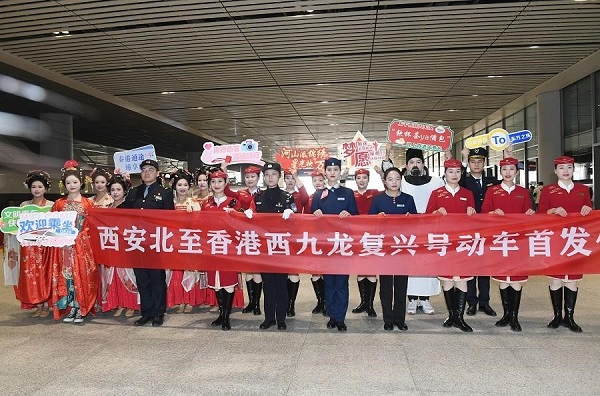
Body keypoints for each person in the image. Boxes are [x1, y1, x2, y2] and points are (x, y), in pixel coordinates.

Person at [537, 155, 592, 333]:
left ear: (573, 169)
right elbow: (541, 213)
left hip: (576, 240)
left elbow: (589, 213)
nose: (565, 171)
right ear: (555, 171)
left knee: (572, 280)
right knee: (556, 278)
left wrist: (588, 210)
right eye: (561, 168)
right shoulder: (548, 190)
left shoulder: (583, 189)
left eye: (569, 167)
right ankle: (557, 316)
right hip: (556, 239)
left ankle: (570, 317)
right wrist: (552, 211)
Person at [481, 157, 534, 331]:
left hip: (519, 241)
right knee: (503, 279)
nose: (508, 172)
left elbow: (530, 214)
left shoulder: (523, 192)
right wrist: (492, 212)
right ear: (500, 172)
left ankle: (514, 316)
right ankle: (506, 314)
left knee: (517, 279)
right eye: (504, 169)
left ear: (516, 172)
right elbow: (484, 212)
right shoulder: (492, 191)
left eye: (511, 169)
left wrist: (530, 213)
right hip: (500, 240)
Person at [121, 159, 174, 327]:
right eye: (144, 170)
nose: (146, 172)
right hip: (137, 242)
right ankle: (146, 312)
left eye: (150, 169)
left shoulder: (165, 192)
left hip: (155, 242)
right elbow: (122, 210)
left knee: (157, 278)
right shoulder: (134, 192)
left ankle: (159, 312)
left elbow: (170, 218)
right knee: (142, 279)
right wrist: (99, 213)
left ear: (157, 173)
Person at [426, 158, 476, 332]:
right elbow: (427, 216)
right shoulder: (437, 193)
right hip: (444, 243)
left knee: (461, 280)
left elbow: (475, 218)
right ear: (445, 174)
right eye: (450, 172)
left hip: (462, 243)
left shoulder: (467, 193)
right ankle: (452, 315)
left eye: (457, 172)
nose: (454, 175)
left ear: (461, 174)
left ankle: (460, 318)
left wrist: (472, 212)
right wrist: (436, 212)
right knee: (447, 280)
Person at [312, 157, 359, 331]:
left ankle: (340, 318)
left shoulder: (348, 193)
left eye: (336, 170)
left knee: (342, 283)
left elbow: (356, 217)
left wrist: (350, 214)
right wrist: (314, 214)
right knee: (329, 283)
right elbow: (310, 221)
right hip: (325, 245)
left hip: (343, 245)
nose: (332, 173)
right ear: (325, 172)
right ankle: (332, 315)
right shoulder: (318, 194)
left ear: (340, 172)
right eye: (329, 170)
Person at [49, 160, 98, 324]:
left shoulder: (87, 203)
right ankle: (71, 307)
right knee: (67, 277)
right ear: (64, 184)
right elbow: (51, 225)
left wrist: (80, 236)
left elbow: (92, 226)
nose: (72, 185)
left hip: (80, 247)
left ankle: (80, 306)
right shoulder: (59, 204)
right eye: (68, 182)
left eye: (75, 182)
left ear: (82, 183)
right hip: (63, 247)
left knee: (80, 276)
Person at [368, 167, 417, 330]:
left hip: (403, 248)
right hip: (384, 249)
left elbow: (417, 225)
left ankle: (400, 319)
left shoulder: (409, 199)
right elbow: (368, 224)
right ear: (385, 181)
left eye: (397, 178)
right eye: (390, 179)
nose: (394, 182)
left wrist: (411, 220)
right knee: (386, 286)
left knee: (401, 285)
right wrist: (377, 219)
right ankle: (388, 319)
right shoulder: (378, 200)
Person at [398, 148, 444, 315]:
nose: (415, 165)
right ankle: (411, 300)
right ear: (407, 165)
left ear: (423, 164)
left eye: (418, 162)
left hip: (429, 230)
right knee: (410, 264)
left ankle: (425, 300)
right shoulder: (401, 181)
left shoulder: (436, 182)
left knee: (427, 264)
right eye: (411, 162)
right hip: (408, 232)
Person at [253, 162, 296, 330]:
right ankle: (269, 317)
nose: (270, 177)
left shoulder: (287, 197)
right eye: (267, 174)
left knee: (281, 284)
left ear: (279, 177)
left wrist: (291, 214)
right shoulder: (258, 197)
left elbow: (296, 222)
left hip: (281, 247)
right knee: (267, 284)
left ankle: (281, 318)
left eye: (273, 174)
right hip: (264, 247)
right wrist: (247, 215)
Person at [7, 170, 54, 317]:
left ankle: (46, 304)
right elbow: (17, 225)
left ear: (45, 188)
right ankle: (38, 303)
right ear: (30, 188)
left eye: (40, 186)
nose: (37, 189)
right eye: (34, 186)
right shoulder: (23, 205)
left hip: (46, 246)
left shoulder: (52, 205)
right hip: (29, 247)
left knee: (45, 274)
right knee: (32, 275)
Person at [459, 147, 499, 317]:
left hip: (488, 230)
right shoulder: (463, 182)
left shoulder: (493, 181)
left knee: (484, 268)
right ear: (468, 164)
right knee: (470, 267)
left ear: (484, 163)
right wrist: (461, 158)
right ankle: (471, 302)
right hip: (469, 231)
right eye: (473, 161)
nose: (476, 164)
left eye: (480, 161)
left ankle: (485, 302)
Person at [201, 169, 243, 330]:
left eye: (220, 181)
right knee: (216, 284)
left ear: (226, 183)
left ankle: (226, 317)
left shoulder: (233, 202)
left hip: (228, 248)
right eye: (213, 182)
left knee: (228, 283)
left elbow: (241, 225)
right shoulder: (206, 203)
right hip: (212, 247)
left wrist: (235, 215)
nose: (216, 185)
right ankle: (221, 313)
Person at [224, 164, 263, 316]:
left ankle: (258, 303)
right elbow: (227, 192)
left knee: (257, 270)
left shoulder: (263, 194)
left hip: (258, 236)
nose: (250, 179)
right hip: (243, 235)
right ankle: (251, 302)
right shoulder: (241, 193)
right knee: (248, 270)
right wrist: (225, 170)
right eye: (247, 177)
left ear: (258, 178)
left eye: (253, 177)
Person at [167, 169, 203, 314]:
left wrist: (192, 215)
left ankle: (190, 300)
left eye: (185, 185)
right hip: (174, 241)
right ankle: (180, 300)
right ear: (175, 186)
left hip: (189, 241)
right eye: (179, 185)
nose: (182, 188)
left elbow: (200, 224)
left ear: (189, 187)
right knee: (177, 273)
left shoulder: (194, 203)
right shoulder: (170, 203)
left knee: (190, 271)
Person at [105, 173, 139, 318]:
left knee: (128, 275)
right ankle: (119, 303)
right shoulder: (107, 207)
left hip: (127, 244)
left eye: (118, 189)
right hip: (112, 245)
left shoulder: (130, 205)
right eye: (113, 190)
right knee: (114, 276)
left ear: (124, 190)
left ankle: (131, 304)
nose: (115, 193)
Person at [351, 168, 381, 317]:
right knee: (361, 270)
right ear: (355, 180)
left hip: (372, 236)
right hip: (356, 237)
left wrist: (382, 173)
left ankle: (370, 304)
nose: (361, 180)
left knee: (371, 270)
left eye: (364, 177)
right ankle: (363, 302)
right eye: (358, 178)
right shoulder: (351, 194)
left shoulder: (375, 193)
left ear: (368, 179)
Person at [88, 167, 115, 313]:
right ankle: (95, 300)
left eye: (102, 182)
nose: (99, 185)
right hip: (91, 239)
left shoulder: (112, 200)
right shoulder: (88, 201)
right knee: (93, 271)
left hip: (107, 239)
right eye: (97, 182)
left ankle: (108, 301)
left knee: (107, 272)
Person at [282, 169, 308, 317]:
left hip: (295, 235)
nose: (290, 181)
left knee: (293, 270)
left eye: (293, 178)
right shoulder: (280, 193)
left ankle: (291, 304)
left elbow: (305, 197)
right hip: (279, 236)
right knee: (282, 271)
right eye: (288, 178)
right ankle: (284, 302)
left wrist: (298, 178)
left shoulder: (299, 195)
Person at [305, 169, 327, 315]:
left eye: (320, 180)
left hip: (329, 238)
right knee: (315, 272)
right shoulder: (310, 198)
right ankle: (320, 300)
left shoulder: (332, 194)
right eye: (315, 181)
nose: (318, 183)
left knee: (327, 270)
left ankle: (327, 301)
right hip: (314, 238)